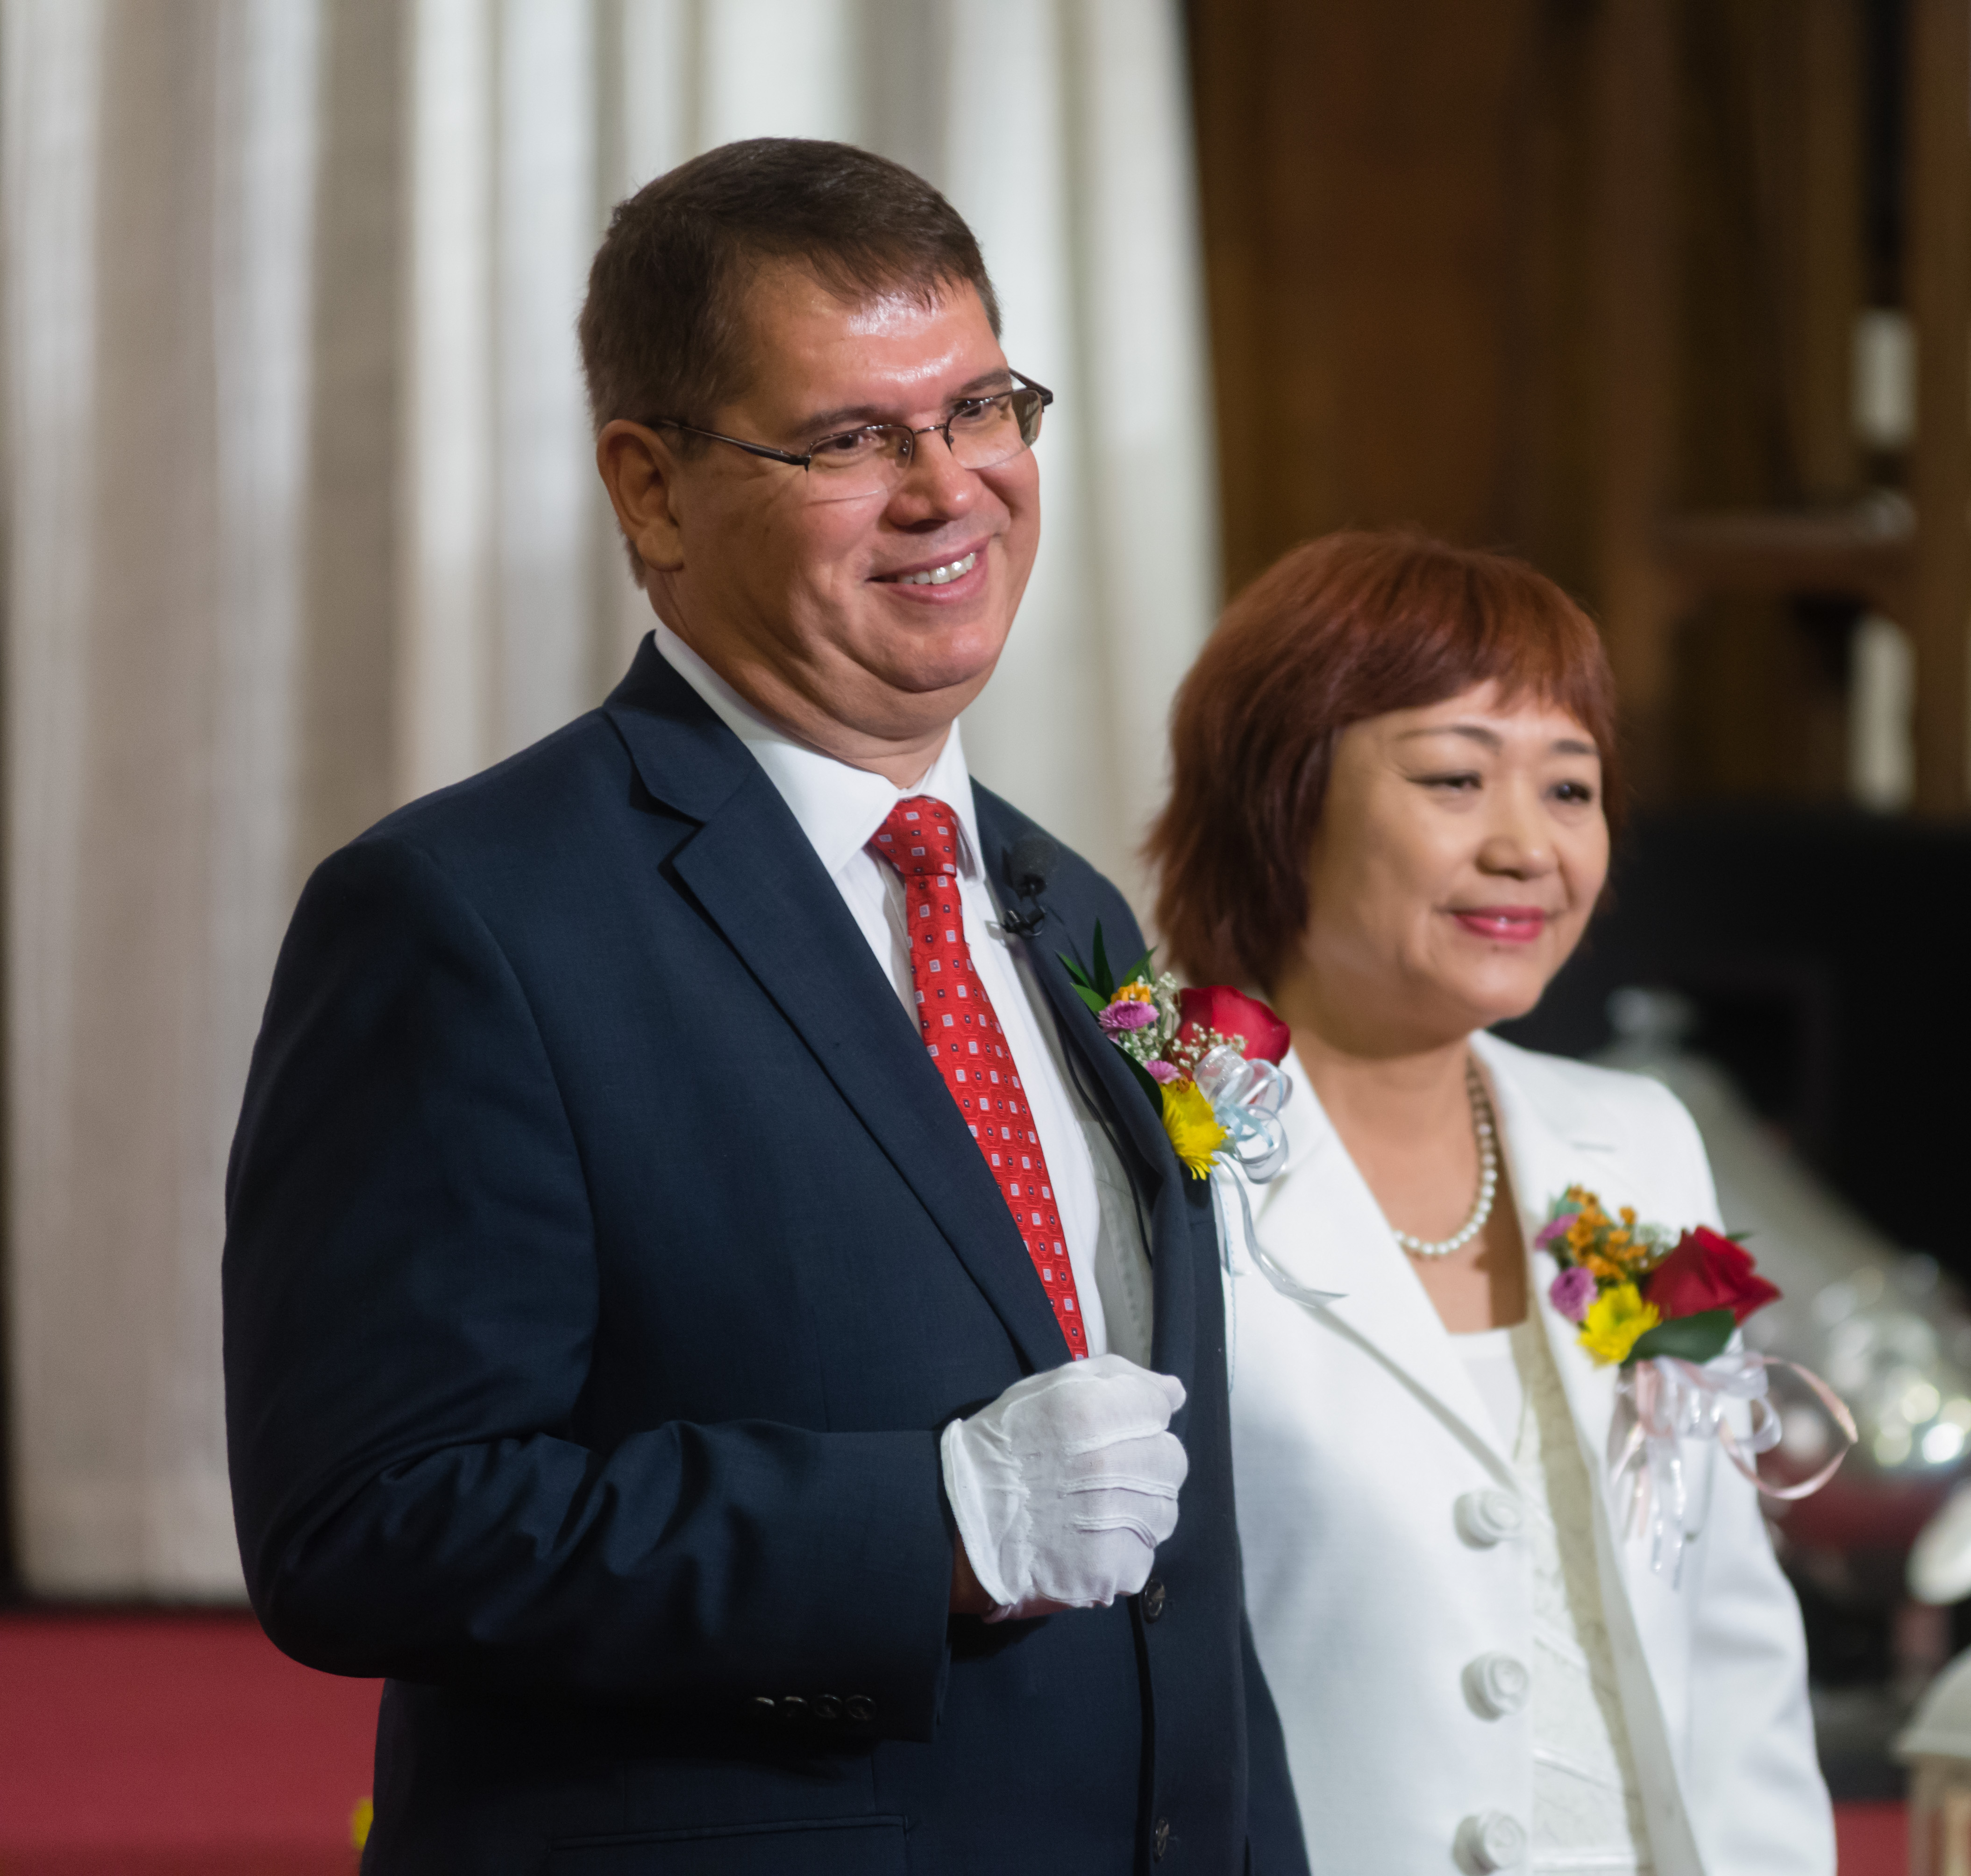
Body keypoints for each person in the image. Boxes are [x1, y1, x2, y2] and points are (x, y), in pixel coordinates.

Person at [223, 139, 1305, 1875]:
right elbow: (364, 1525)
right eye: (852, 440)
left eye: (980, 409)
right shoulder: (464, 915)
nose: (950, 489)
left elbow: (1179, 1575)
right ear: (650, 490)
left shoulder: (1066, 908)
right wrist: (921, 1527)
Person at [1147, 532, 1835, 1876]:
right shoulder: (1152, 1147)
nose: (1529, 847)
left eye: (1570, 788)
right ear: (1281, 798)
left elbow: (1731, 1622)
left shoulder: (1636, 1148)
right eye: (1455, 778)